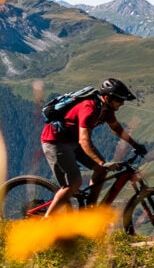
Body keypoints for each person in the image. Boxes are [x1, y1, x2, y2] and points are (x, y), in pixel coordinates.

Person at [41, 78, 148, 215]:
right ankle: (46, 220)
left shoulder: (106, 110)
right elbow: (84, 140)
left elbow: (116, 128)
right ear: (107, 98)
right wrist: (102, 162)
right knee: (74, 183)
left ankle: (89, 211)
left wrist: (135, 145)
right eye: (119, 100)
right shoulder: (89, 108)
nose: (122, 104)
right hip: (56, 142)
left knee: (101, 170)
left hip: (73, 141)